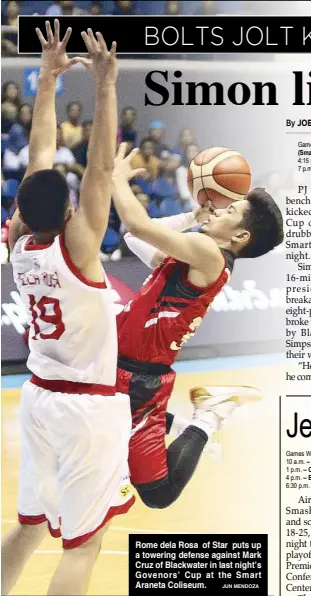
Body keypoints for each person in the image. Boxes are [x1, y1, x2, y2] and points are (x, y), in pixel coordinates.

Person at [2, 22, 135, 596]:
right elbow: (101, 168)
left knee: (28, 530)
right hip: (86, 410)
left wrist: (49, 81)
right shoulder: (77, 247)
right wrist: (106, 86)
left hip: (38, 399)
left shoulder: (17, 242)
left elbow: (38, 159)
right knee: (84, 547)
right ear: (71, 209)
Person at [111, 143, 284, 509]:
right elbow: (133, 238)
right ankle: (176, 425)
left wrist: (116, 180)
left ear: (240, 236)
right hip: (117, 367)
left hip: (140, 378)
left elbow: (138, 224)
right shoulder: (191, 257)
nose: (218, 208)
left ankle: (207, 417)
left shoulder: (209, 256)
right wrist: (193, 215)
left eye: (230, 209)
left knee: (158, 494)